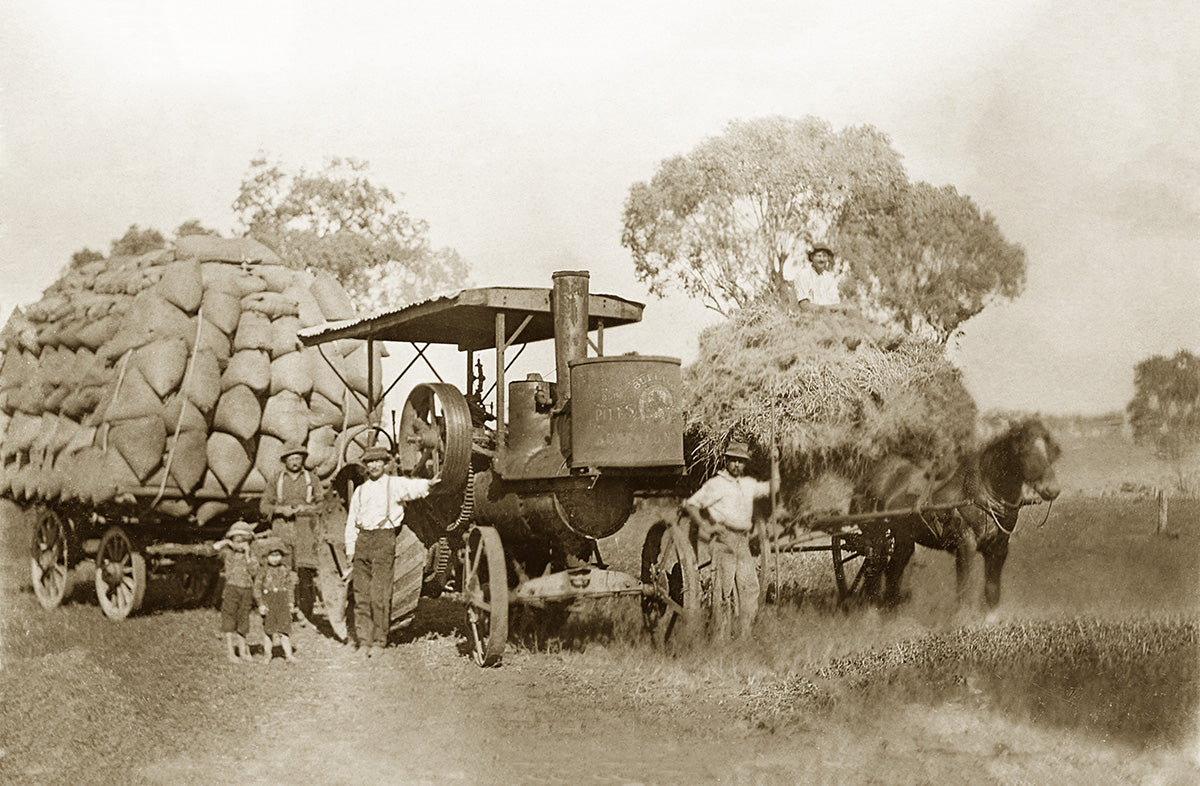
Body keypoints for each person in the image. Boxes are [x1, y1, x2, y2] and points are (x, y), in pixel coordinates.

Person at [344, 446, 439, 657]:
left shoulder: (394, 485)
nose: (374, 465)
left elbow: (414, 488)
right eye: (370, 462)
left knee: (379, 595)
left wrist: (431, 483)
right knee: (361, 596)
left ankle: (378, 642)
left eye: (378, 461)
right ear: (366, 466)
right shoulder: (360, 491)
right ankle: (364, 642)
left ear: (385, 464)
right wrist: (351, 549)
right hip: (362, 542)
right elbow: (352, 522)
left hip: (384, 540)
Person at [682, 441, 770, 638]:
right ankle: (719, 639)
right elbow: (692, 505)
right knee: (723, 589)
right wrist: (705, 526)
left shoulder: (747, 484)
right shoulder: (716, 484)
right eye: (733, 461)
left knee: (749, 587)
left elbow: (772, 488)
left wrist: (775, 460)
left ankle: (744, 637)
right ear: (726, 461)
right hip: (724, 541)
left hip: (742, 542)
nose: (737, 465)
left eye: (741, 462)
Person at [260, 441, 325, 622]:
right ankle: (282, 611)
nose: (295, 462)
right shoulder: (276, 480)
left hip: (306, 530)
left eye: (298, 458)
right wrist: (281, 510)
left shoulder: (312, 479)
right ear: (285, 461)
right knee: (281, 571)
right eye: (291, 458)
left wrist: (304, 509)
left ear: (303, 460)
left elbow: (321, 505)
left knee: (306, 573)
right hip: (282, 529)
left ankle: (306, 613)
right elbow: (264, 506)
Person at [212, 520, 258, 663]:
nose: (239, 544)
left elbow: (254, 571)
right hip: (232, 589)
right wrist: (227, 543)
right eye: (236, 541)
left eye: (243, 541)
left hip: (246, 590)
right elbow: (215, 548)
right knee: (229, 619)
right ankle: (231, 652)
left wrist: (248, 553)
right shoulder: (228, 554)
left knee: (243, 618)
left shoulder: (251, 556)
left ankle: (243, 650)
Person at [255, 537, 298, 663]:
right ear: (267, 557)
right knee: (269, 630)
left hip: (282, 601)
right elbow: (257, 587)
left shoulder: (285, 570)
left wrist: (291, 602)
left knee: (284, 630)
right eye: (272, 555)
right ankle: (267, 655)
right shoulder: (263, 571)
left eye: (278, 555)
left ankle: (288, 655)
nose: (275, 558)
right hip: (269, 601)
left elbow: (290, 586)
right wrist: (261, 604)